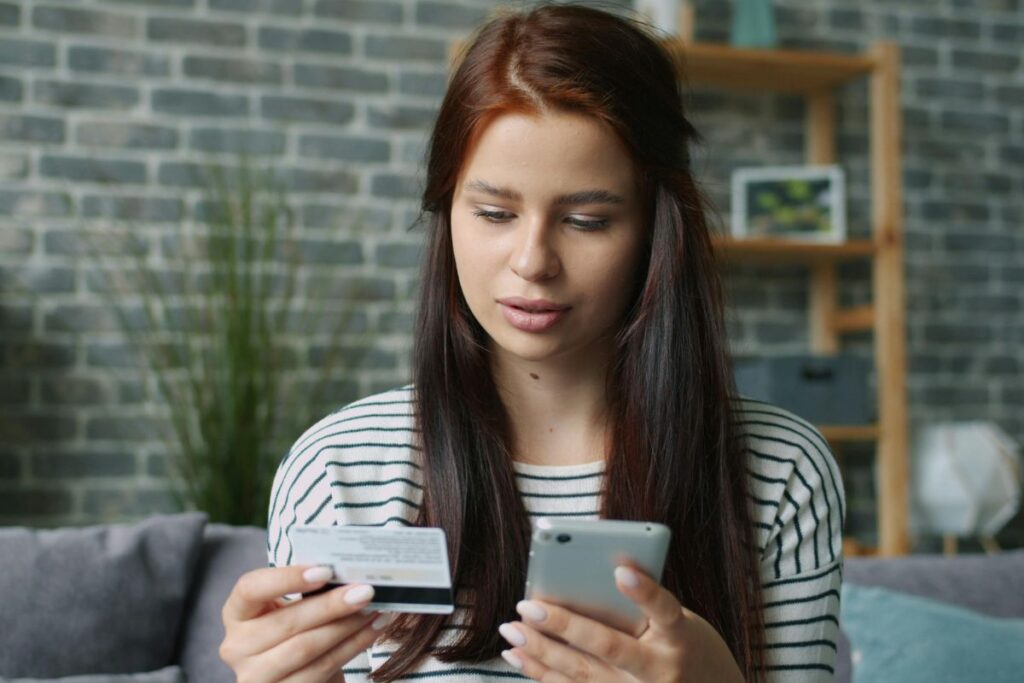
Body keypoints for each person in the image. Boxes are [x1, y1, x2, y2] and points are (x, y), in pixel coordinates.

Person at [219, 3, 845, 682]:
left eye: (585, 219)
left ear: (657, 230)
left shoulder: (781, 473)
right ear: (447, 210)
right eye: (494, 213)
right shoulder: (340, 467)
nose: (532, 261)